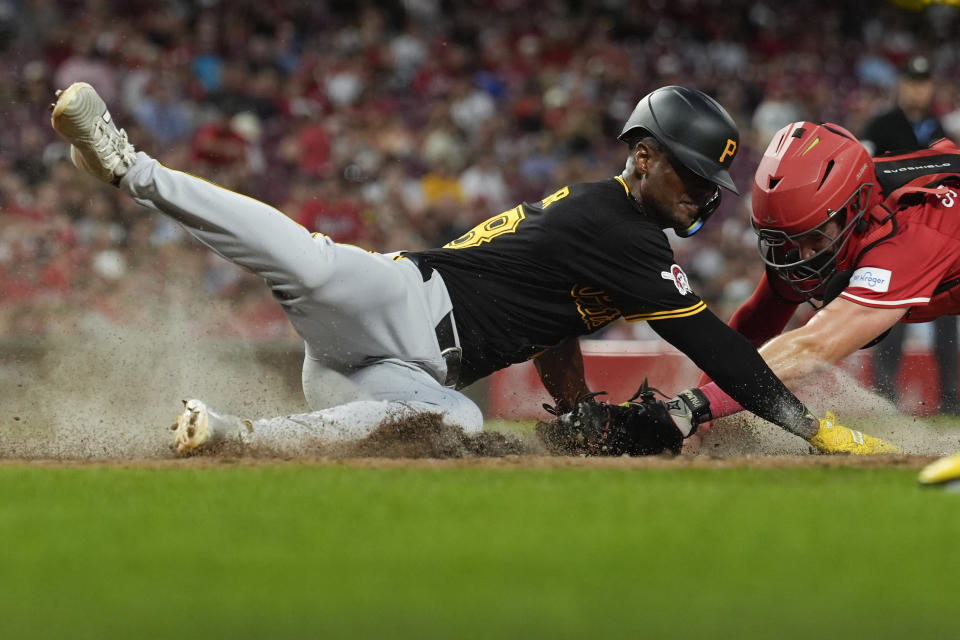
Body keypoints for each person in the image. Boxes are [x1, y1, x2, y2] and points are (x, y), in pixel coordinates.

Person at [49, 81, 887, 456]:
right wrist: (806, 425)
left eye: (710, 183)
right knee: (296, 252)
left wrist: (575, 408)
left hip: (389, 370)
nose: (703, 194)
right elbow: (719, 347)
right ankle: (129, 166)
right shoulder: (623, 231)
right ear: (643, 155)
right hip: (398, 301)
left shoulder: (614, 233)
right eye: (694, 175)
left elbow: (558, 324)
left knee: (455, 423)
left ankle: (238, 437)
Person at [669, 119, 960, 452]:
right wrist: (701, 426)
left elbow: (813, 349)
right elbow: (754, 327)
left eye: (813, 239)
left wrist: (693, 406)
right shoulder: (821, 218)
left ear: (853, 210)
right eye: (788, 241)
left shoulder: (912, 233)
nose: (801, 256)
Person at [860, 54, 959, 414]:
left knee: (947, 321)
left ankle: (951, 401)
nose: (918, 90)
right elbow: (864, 176)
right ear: (901, 86)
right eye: (913, 83)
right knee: (892, 319)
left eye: (924, 83)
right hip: (895, 237)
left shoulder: (940, 130)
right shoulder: (880, 126)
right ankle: (884, 401)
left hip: (938, 241)